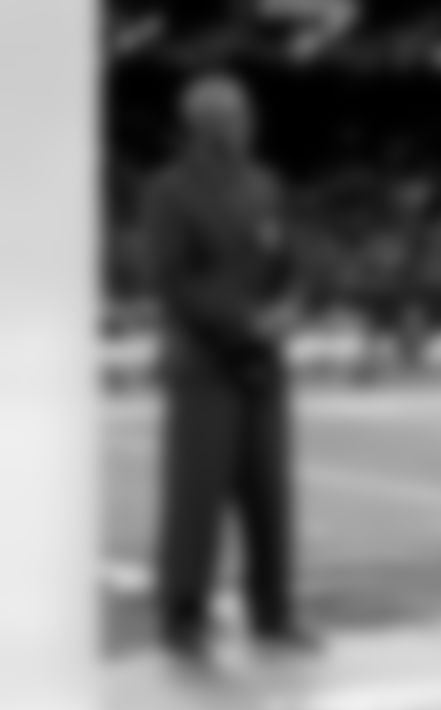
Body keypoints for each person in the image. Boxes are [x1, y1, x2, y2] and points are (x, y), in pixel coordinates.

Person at [144, 74, 317, 666]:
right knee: (196, 497)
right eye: (237, 115)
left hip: (264, 366)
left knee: (270, 494)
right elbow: (173, 283)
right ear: (206, 125)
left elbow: (287, 260)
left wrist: (292, 303)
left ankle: (273, 612)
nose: (249, 123)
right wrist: (248, 321)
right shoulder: (169, 191)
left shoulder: (265, 184)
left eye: (247, 112)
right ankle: (182, 619)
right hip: (204, 367)